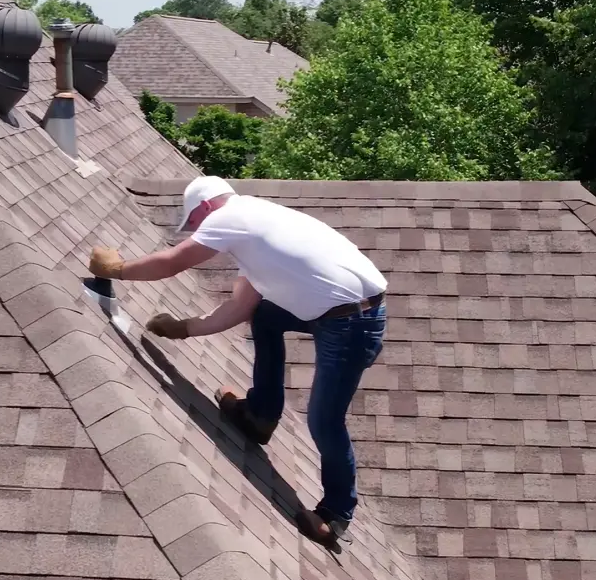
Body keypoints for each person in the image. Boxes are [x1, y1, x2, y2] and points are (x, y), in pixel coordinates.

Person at [88, 175, 387, 550]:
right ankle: (260, 415)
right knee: (266, 315)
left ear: (205, 207)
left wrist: (119, 269)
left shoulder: (229, 217)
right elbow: (240, 307)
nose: (198, 231)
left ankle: (336, 514)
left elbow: (173, 262)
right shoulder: (258, 228)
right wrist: (184, 328)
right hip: (343, 311)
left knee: (324, 420)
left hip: (352, 322)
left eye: (194, 222)